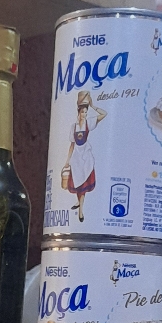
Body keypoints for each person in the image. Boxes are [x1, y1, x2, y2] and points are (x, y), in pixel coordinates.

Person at [62, 91, 107, 224]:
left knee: (83, 182)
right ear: (79, 112)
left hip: (85, 155)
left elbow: (104, 114)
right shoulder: (73, 127)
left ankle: (81, 210)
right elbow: (72, 145)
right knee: (77, 181)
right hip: (76, 156)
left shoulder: (89, 123)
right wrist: (67, 161)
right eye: (83, 112)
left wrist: (92, 106)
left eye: (86, 112)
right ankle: (78, 202)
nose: (85, 115)